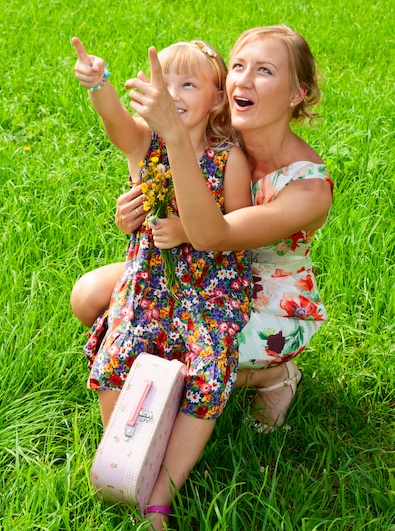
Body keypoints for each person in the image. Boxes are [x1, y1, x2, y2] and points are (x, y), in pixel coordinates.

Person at [71, 37, 252, 530]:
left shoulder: (228, 158)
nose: (172, 91)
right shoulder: (146, 145)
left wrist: (190, 232)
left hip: (208, 289)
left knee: (209, 370)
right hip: (149, 282)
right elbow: (115, 122)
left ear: (216, 98)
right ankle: (130, 460)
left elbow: (234, 231)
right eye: (163, 82)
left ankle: (159, 492)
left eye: (188, 83)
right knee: (115, 357)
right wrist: (99, 83)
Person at [123, 24, 334, 436]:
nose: (243, 78)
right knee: (91, 296)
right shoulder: (220, 137)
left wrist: (174, 137)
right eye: (238, 65)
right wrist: (134, 209)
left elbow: (211, 235)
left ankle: (272, 375)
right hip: (201, 269)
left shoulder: (308, 189)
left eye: (265, 71)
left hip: (266, 297)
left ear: (296, 94)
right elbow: (158, 177)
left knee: (177, 360)